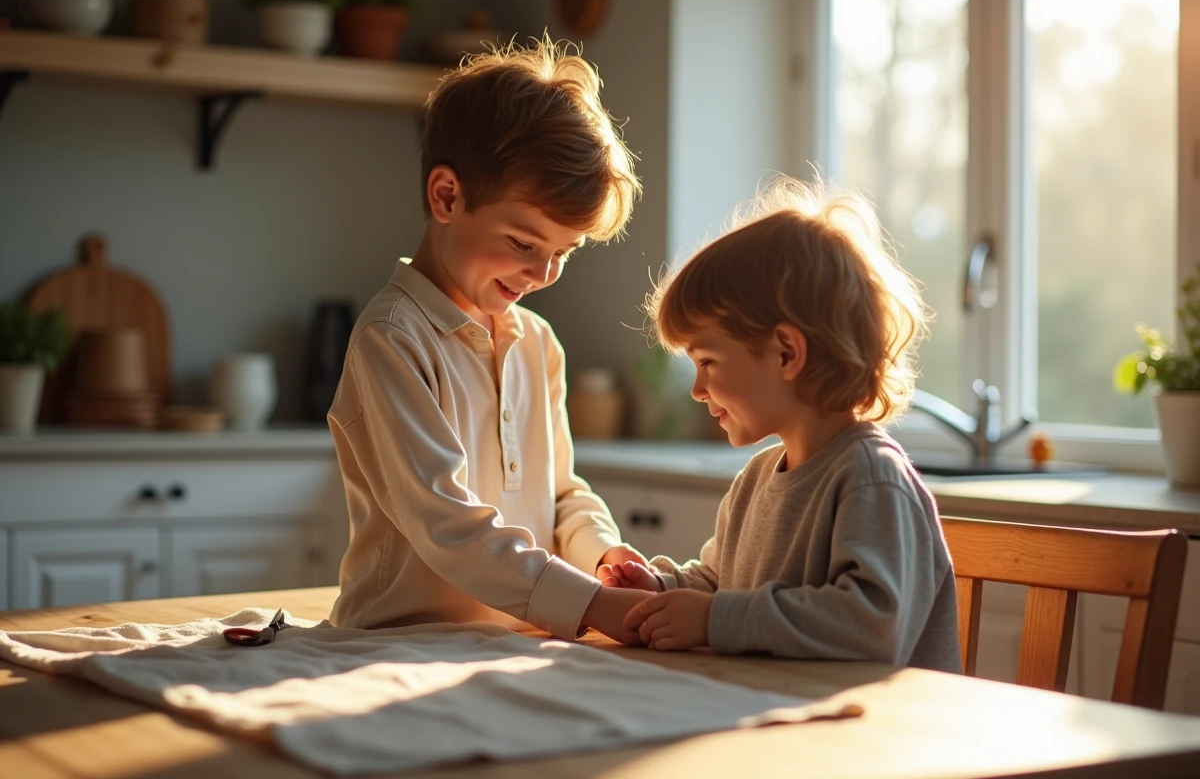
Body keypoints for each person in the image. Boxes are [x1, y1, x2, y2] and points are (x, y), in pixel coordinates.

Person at [328, 38, 651, 644]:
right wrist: (592, 607)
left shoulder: (538, 343)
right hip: (391, 648)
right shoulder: (391, 339)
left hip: (513, 644)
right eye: (525, 244)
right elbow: (447, 524)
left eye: (564, 252)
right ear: (447, 195)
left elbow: (561, 495)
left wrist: (604, 557)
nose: (545, 274)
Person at [611, 178, 962, 671]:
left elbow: (873, 623)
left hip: (884, 737)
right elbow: (720, 584)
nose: (697, 388)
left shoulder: (872, 478)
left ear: (786, 352)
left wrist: (714, 620)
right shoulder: (756, 480)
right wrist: (662, 589)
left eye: (708, 361)